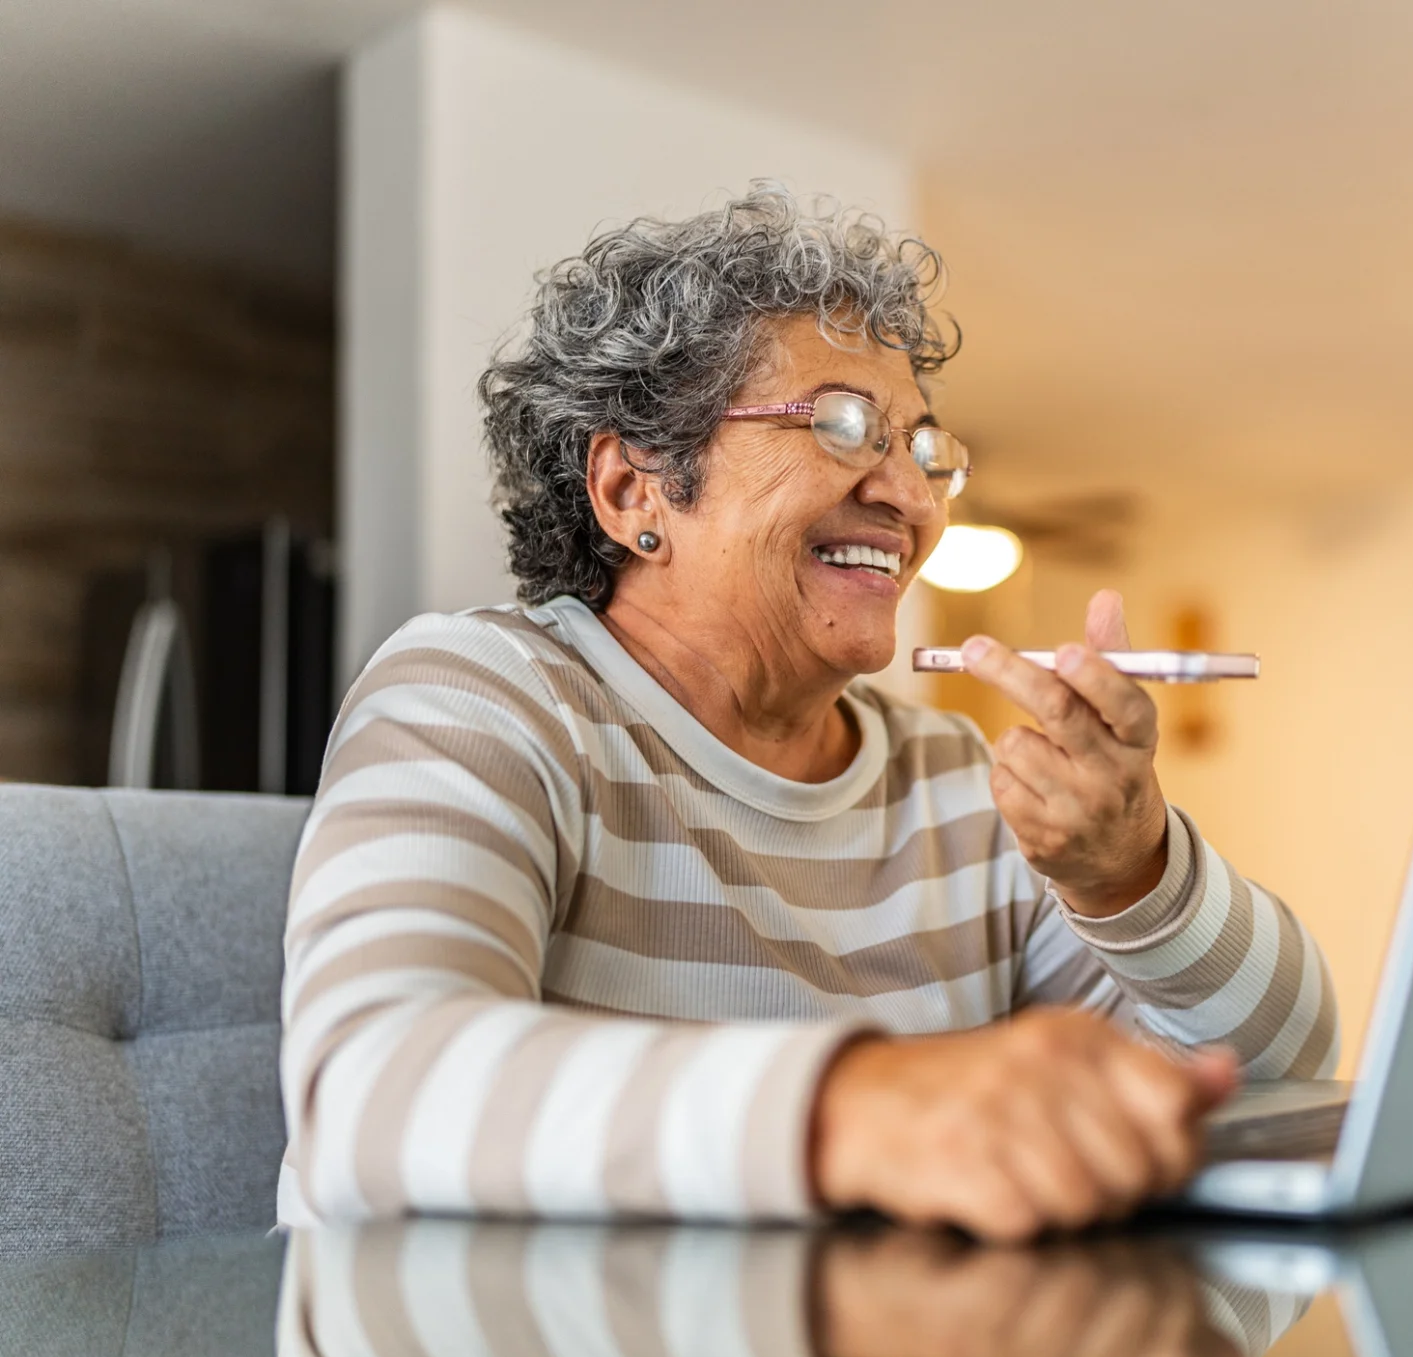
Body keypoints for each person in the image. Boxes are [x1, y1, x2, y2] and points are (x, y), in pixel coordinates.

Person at [277, 185, 1336, 1242]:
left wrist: (1134, 873)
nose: (910, 497)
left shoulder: (950, 782)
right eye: (842, 426)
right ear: (632, 490)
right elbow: (371, 1097)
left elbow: (1277, 1070)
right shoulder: (486, 696)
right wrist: (863, 1106)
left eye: (926, 451)